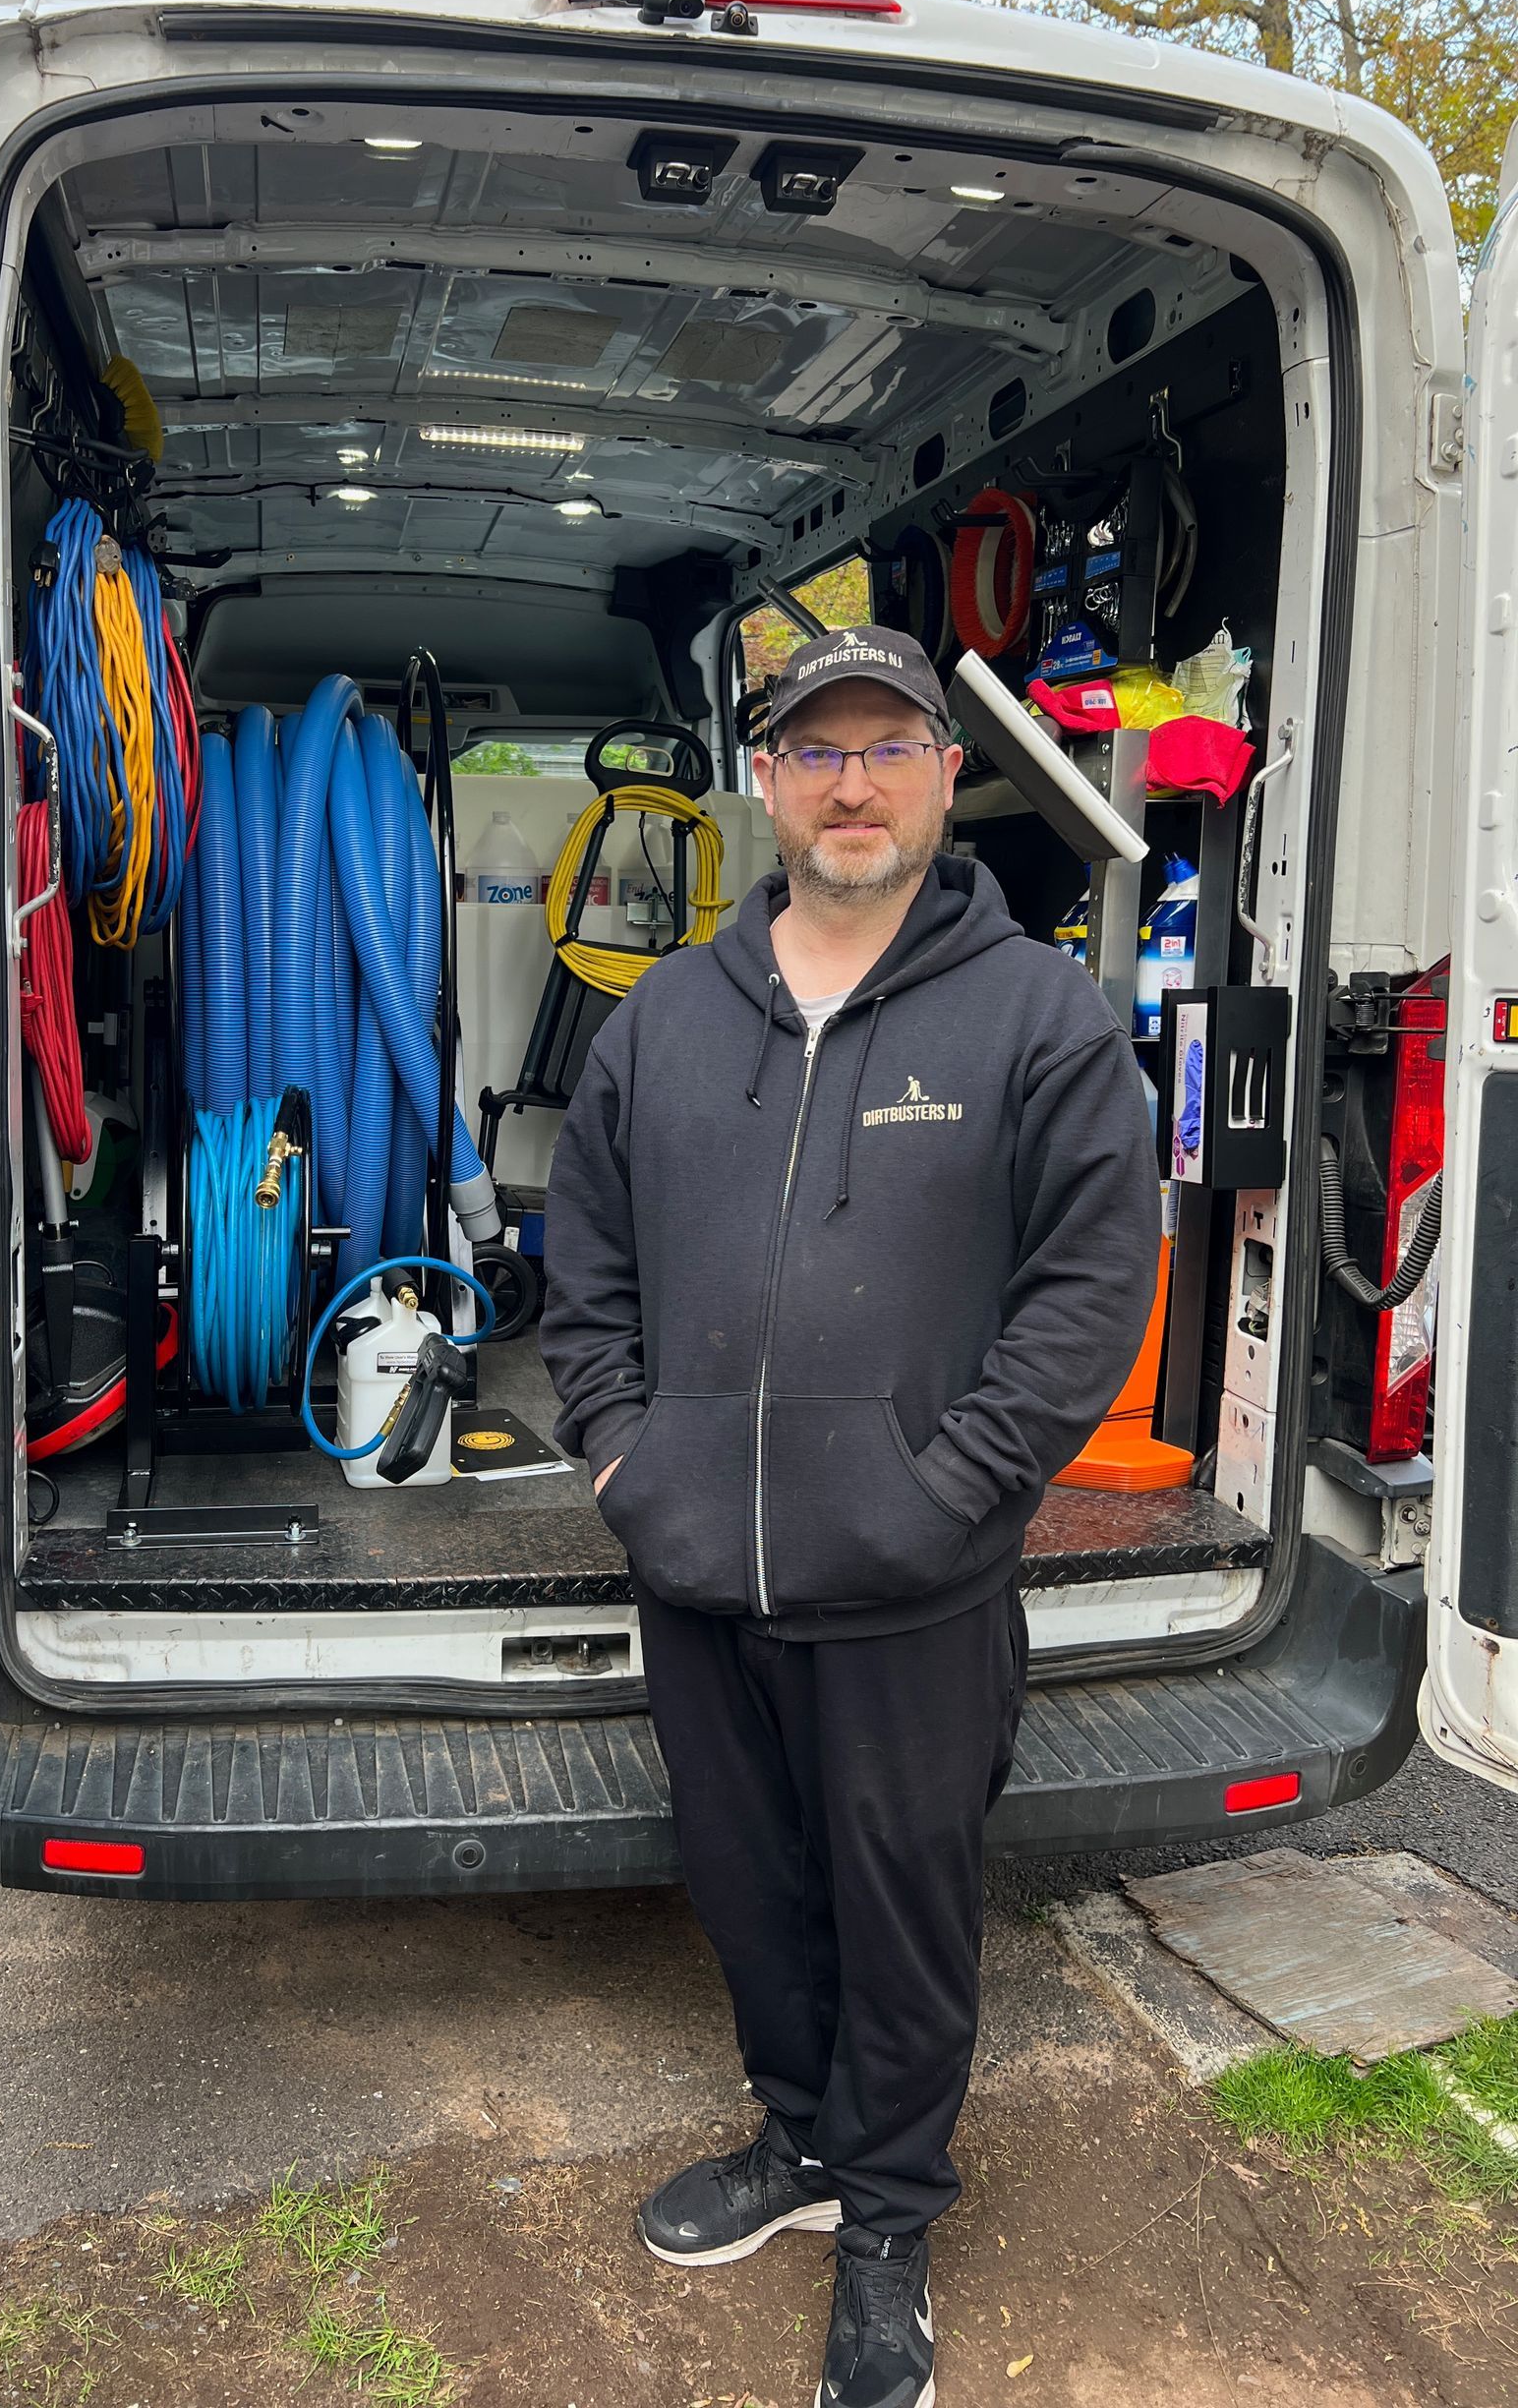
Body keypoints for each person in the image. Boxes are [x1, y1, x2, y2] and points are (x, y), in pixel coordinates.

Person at [541, 625, 1161, 2408]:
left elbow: (1090, 1285)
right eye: (816, 752)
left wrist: (949, 1489)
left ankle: (890, 2220)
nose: (854, 782)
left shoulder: (1037, 1013)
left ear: (945, 775)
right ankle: (802, 2142)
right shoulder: (664, 1022)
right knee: (748, 1892)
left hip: (911, 1581)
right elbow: (581, 1267)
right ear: (764, 782)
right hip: (699, 1572)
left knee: (903, 1906)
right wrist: (617, 1457)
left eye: (891, 747)